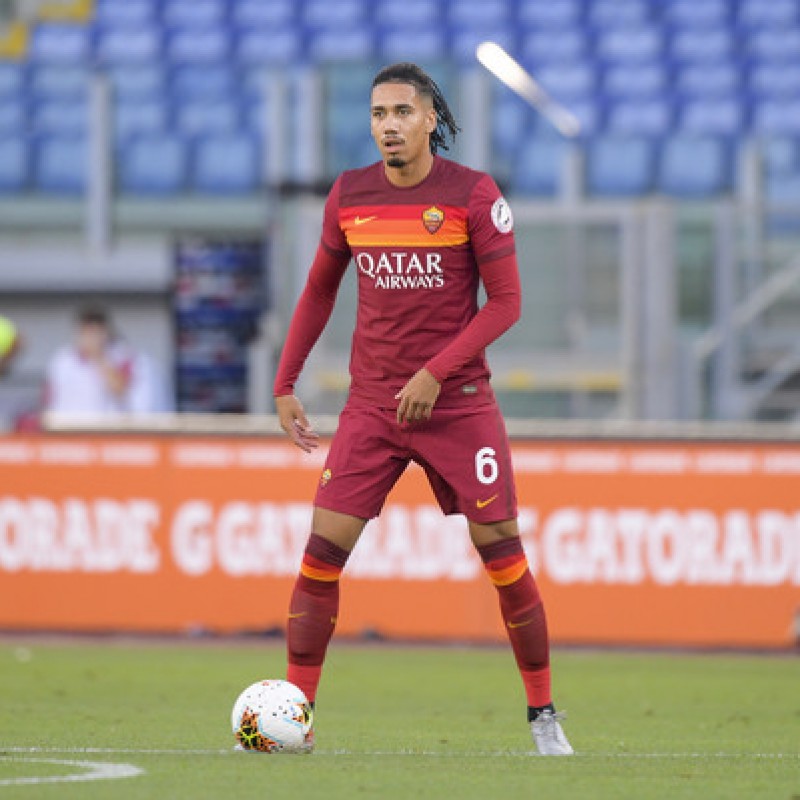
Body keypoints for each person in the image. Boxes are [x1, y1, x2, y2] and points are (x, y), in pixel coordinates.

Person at [273, 62, 573, 756]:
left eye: (402, 112)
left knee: (502, 552)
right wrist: (286, 381)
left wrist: (437, 373)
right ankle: (295, 722)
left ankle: (543, 716)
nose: (389, 126)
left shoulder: (472, 193)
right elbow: (319, 292)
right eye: (378, 114)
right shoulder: (350, 196)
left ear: (431, 118)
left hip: (459, 405)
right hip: (374, 406)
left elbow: (506, 303)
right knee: (320, 557)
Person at [45, 305, 168, 417]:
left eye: (96, 332)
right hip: (68, 427)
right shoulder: (62, 360)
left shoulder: (122, 356)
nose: (91, 337)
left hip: (106, 429)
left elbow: (121, 391)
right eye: (87, 332)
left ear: (105, 332)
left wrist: (98, 357)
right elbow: (50, 398)